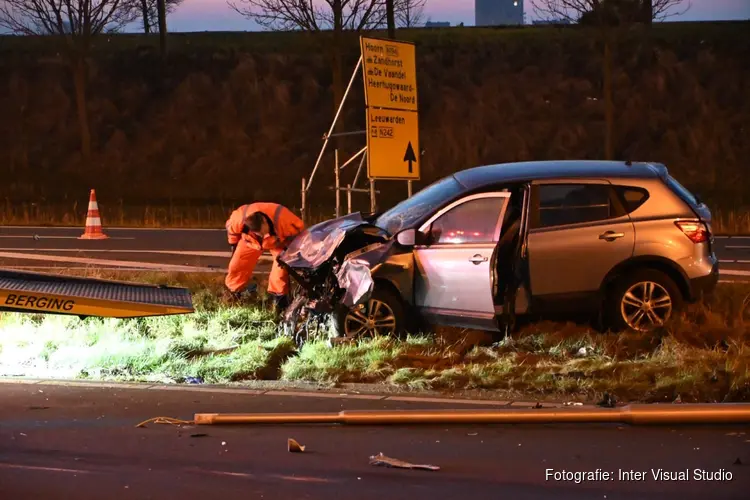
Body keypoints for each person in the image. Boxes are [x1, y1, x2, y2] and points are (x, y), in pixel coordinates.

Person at [224, 202, 305, 311]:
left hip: (278, 241)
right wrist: (233, 246)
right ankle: (234, 294)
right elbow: (232, 233)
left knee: (280, 270)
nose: (262, 235)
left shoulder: (283, 219)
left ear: (264, 221)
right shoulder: (238, 218)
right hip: (250, 241)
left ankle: (279, 300)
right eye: (258, 233)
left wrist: (289, 252)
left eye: (263, 231)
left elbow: (298, 235)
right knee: (237, 266)